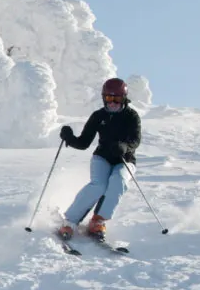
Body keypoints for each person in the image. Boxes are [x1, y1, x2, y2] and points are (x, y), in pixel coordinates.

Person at [57, 78, 141, 241]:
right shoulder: (98, 115)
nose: (112, 103)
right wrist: (69, 137)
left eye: (117, 98)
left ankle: (98, 220)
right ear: (104, 98)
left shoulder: (131, 116)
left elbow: (135, 140)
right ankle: (70, 221)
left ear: (124, 98)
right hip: (102, 157)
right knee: (99, 185)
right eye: (109, 98)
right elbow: (83, 143)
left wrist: (124, 147)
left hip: (124, 159)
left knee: (118, 181)